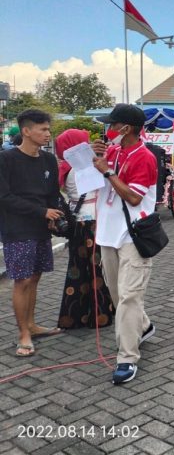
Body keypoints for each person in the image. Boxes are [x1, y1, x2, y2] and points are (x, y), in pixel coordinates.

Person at [92, 104, 159, 384]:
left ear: (126, 128)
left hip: (133, 236)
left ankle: (127, 357)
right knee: (117, 295)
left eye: (112, 125)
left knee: (130, 297)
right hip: (108, 235)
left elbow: (133, 197)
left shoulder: (144, 157)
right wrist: (94, 158)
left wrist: (107, 172)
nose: (109, 130)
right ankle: (143, 326)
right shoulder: (112, 151)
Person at [0, 109, 64, 357]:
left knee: (35, 277)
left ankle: (32, 325)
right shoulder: (6, 159)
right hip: (17, 228)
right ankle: (23, 335)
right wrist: (41, 211)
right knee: (23, 280)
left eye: (48, 129)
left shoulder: (48, 160)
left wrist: (54, 216)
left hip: (41, 227)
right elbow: (4, 197)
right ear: (26, 131)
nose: (48, 134)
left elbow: (52, 193)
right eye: (43, 129)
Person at [55, 129, 114, 330]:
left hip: (77, 222)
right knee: (97, 269)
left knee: (79, 269)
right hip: (92, 221)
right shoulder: (81, 168)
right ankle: (100, 314)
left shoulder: (66, 167)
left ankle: (76, 315)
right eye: (84, 142)